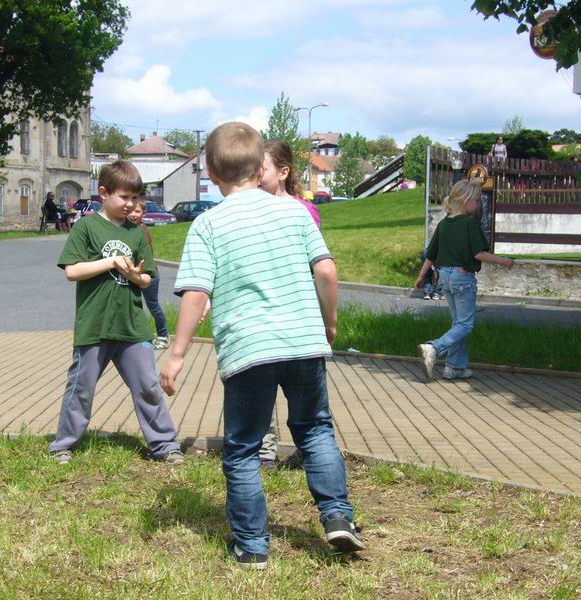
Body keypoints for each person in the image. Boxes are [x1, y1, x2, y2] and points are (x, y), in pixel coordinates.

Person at [159, 122, 364, 569]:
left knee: (244, 447)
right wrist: (328, 324)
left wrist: (177, 354)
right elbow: (327, 272)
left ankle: (253, 545)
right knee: (315, 430)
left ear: (212, 173)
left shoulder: (208, 224)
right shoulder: (295, 213)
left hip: (249, 349)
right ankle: (338, 516)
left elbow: (195, 293)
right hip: (304, 343)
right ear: (259, 167)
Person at [48, 160, 183, 466]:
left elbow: (147, 278)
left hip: (132, 326)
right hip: (94, 325)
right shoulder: (86, 227)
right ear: (103, 193)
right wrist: (110, 262)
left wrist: (135, 276)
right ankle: (63, 445)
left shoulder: (137, 233)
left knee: (148, 387)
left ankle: (165, 445)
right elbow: (72, 271)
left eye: (135, 198)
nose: (130, 204)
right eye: (124, 197)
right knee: (81, 388)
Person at [255, 139, 321, 469]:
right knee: (260, 388)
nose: (254, 176)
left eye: (261, 169)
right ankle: (264, 450)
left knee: (303, 393)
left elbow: (317, 265)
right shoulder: (249, 209)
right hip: (260, 314)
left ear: (283, 172)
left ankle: (309, 449)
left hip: (296, 314)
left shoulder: (303, 211)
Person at [415, 180, 514, 381]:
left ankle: (454, 367)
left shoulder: (444, 224)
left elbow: (431, 254)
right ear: (465, 200)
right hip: (462, 278)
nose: (478, 205)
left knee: (457, 324)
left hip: (444, 277)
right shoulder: (469, 223)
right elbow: (479, 253)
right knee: (465, 325)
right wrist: (504, 261)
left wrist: (421, 276)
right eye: (476, 201)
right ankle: (434, 347)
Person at [127, 201, 170, 350]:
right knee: (131, 305)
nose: (133, 214)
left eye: (137, 211)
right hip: (132, 274)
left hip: (148, 274)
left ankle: (163, 335)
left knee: (153, 306)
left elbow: (143, 256)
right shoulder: (125, 229)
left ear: (143, 214)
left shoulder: (142, 230)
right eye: (131, 211)